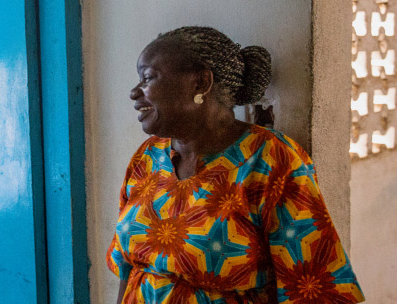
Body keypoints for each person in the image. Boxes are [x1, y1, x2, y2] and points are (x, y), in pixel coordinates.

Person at [106, 26, 365, 304]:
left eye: (148, 78)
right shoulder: (147, 158)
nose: (134, 93)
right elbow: (129, 267)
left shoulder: (270, 160)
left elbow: (314, 286)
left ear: (200, 83)